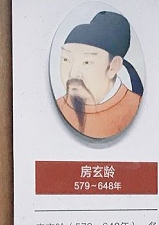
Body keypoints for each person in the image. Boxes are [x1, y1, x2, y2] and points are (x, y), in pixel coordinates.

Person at [56, 11, 143, 139]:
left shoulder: (136, 109)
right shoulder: (57, 108)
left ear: (113, 67)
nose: (73, 73)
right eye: (66, 59)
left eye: (86, 62)